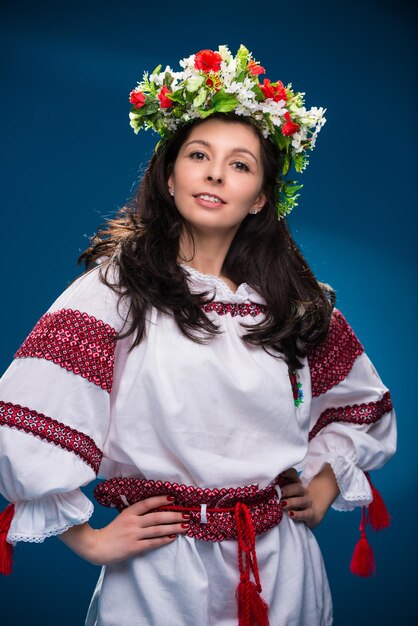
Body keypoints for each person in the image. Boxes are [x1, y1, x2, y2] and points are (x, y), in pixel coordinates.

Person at [0, 45, 396, 626]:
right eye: (198, 154)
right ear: (169, 173)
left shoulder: (295, 302)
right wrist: (90, 540)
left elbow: (361, 407)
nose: (214, 172)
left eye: (240, 164)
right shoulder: (115, 291)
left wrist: (326, 481)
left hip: (280, 565)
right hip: (161, 575)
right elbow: (26, 415)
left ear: (261, 196)